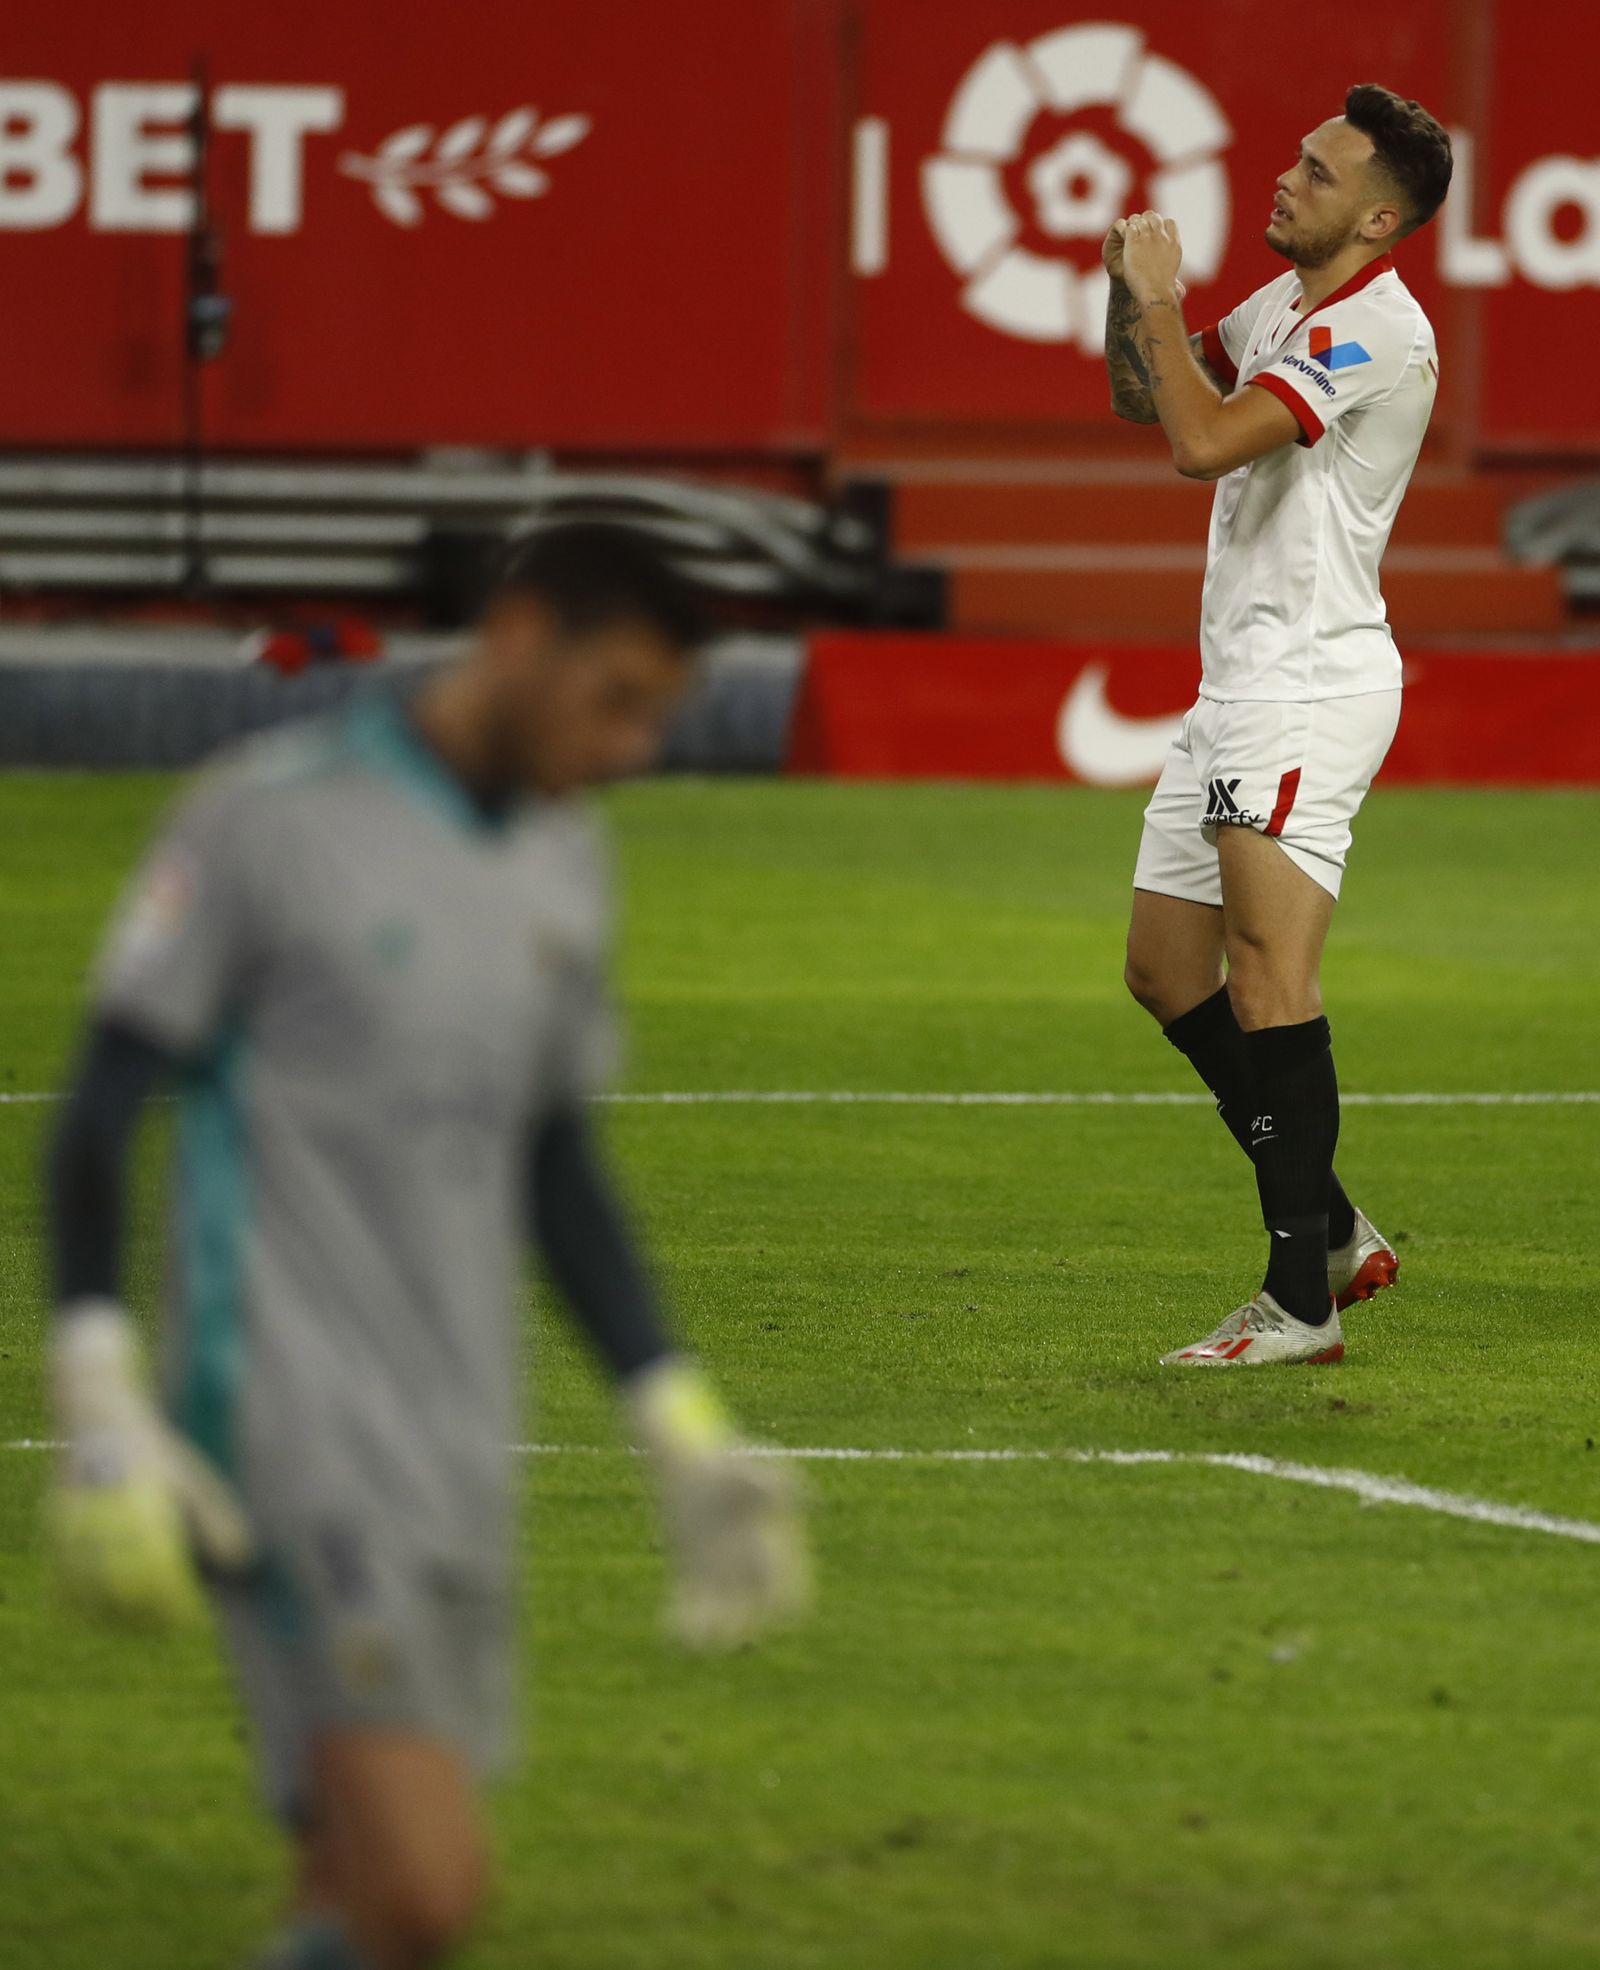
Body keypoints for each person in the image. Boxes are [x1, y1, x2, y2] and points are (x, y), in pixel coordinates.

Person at [44, 521, 809, 1969]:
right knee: (427, 1884)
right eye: (619, 700)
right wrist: (97, 1382)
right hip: (281, 1420)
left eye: (661, 713)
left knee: (352, 1898)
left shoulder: (566, 860)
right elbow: (100, 1111)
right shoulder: (267, 820)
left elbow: (553, 1158)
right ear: (520, 637)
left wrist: (677, 1420)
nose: (638, 746)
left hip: (459, 1436)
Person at [1101, 85, 1453, 1366]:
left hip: (1307, 684)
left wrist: (1156, 293)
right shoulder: (1283, 309)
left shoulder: (1374, 332)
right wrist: (1122, 292)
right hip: (1236, 684)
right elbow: (1150, 401)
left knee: (1266, 980)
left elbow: (1202, 446)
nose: (1284, 179)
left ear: (1374, 215)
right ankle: (1340, 1223)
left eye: (1315, 171)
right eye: (1293, 157)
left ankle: (1297, 1295)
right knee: (1162, 968)